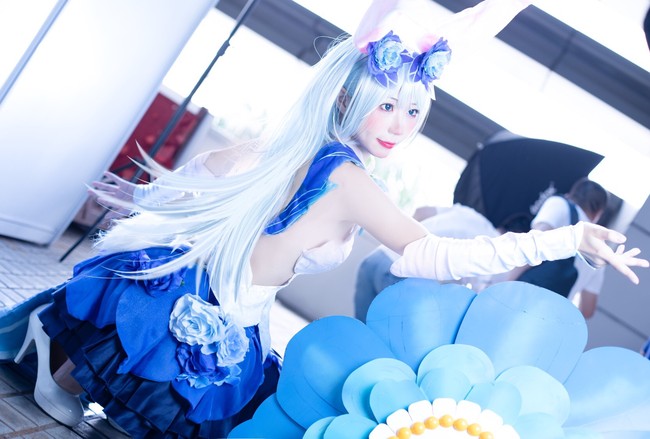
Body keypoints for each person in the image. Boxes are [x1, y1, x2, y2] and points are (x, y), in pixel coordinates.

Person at [11, 0, 648, 437]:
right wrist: (565, 238)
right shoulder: (344, 175)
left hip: (231, 311)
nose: (400, 126)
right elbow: (436, 256)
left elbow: (215, 168)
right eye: (387, 106)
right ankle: (61, 365)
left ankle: (58, 353)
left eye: (414, 111)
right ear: (349, 97)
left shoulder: (309, 149)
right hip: (207, 307)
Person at [354, 203, 502, 320]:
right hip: (403, 274)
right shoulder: (495, 257)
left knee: (359, 339)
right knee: (399, 344)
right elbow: (467, 297)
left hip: (375, 259)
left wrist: (406, 245)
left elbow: (421, 212)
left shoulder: (468, 214)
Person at [514, 178, 609, 318]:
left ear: (571, 194)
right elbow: (587, 310)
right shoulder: (600, 250)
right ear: (598, 213)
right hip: (547, 318)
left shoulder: (560, 205)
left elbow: (531, 248)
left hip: (518, 298)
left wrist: (504, 282)